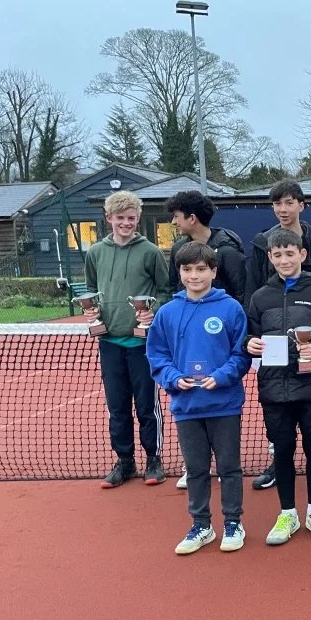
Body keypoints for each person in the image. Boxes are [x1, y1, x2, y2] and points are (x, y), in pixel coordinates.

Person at [146, 242, 251, 554]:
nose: (194, 275)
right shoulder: (166, 313)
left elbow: (241, 354)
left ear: (213, 272)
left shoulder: (231, 308)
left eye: (201, 269)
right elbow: (157, 355)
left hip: (225, 404)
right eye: (188, 269)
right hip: (186, 405)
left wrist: (220, 376)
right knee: (196, 469)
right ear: (180, 273)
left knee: (229, 467)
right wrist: (173, 379)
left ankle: (233, 522)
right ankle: (201, 525)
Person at [246, 228, 311, 545]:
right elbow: (248, 336)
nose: (284, 259)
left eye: (290, 253)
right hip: (273, 388)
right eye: (278, 255)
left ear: (302, 254)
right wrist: (251, 343)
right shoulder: (260, 297)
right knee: (283, 451)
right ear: (270, 257)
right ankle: (287, 513)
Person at [246, 180, 311, 490]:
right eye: (277, 203)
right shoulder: (262, 243)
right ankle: (278, 459)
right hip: (272, 341)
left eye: (288, 202)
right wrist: (254, 337)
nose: (282, 209)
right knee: (277, 412)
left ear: (301, 204)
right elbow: (256, 290)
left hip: (309, 343)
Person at [82, 190, 173, 488]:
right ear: (109, 219)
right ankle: (125, 461)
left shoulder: (150, 251)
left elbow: (164, 291)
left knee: (147, 405)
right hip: (108, 343)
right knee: (117, 406)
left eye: (131, 218)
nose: (126, 223)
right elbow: (91, 288)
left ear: (138, 218)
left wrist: (152, 312)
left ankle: (153, 460)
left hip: (142, 344)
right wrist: (92, 311)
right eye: (120, 218)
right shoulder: (95, 252)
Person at [166, 189, 248, 490]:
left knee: (224, 423)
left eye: (177, 216)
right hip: (190, 346)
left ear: (192, 217)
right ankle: (196, 466)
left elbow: (241, 292)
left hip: (222, 339)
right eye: (188, 270)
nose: (174, 222)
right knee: (189, 412)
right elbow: (171, 290)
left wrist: (240, 333)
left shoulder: (227, 248)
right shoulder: (178, 249)